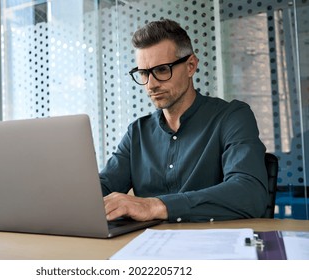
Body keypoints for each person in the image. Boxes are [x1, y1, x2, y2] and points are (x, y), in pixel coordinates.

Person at [100, 19, 268, 223]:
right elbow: (103, 188)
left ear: (190, 66)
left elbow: (249, 193)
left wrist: (155, 206)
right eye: (144, 73)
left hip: (213, 247)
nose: (151, 85)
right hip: (147, 248)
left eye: (162, 70)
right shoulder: (138, 132)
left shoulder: (232, 117)